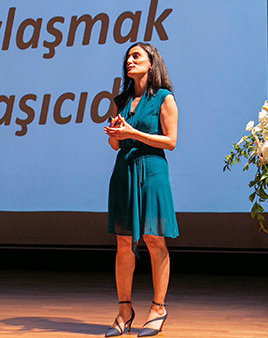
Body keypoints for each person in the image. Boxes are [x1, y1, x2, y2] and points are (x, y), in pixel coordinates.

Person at [103, 42, 179, 337]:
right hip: (124, 171)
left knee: (154, 240)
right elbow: (115, 144)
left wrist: (133, 132)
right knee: (124, 243)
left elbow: (170, 141)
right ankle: (124, 311)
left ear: (151, 63)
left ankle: (158, 309)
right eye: (127, 57)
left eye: (136, 56)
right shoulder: (121, 100)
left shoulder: (164, 98)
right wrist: (115, 134)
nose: (129, 60)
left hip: (152, 170)